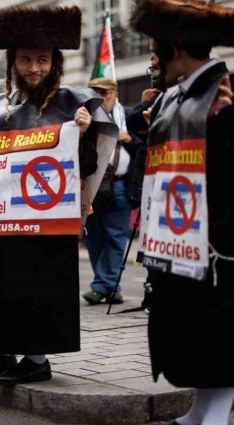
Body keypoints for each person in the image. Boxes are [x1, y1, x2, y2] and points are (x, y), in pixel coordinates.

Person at [0, 5, 105, 384]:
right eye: (25, 60)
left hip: (48, 216)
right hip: (1, 216)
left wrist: (83, 132)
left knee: (38, 285)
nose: (34, 68)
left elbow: (89, 165)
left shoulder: (73, 104)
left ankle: (36, 360)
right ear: (13, 62)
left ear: (55, 62)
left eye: (42, 60)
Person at [131, 0, 234, 424]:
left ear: (174, 49)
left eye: (156, 52)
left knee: (220, 335)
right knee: (196, 335)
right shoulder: (178, 95)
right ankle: (201, 409)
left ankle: (216, 415)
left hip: (218, 243)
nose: (154, 63)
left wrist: (210, 125)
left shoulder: (232, 90)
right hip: (182, 236)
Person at [81, 78, 142, 305]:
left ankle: (102, 286)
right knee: (94, 236)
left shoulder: (127, 116)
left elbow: (143, 145)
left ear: (114, 93)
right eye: (96, 92)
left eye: (105, 92)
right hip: (91, 186)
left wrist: (129, 138)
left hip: (120, 186)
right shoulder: (84, 116)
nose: (101, 97)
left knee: (115, 237)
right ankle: (110, 287)